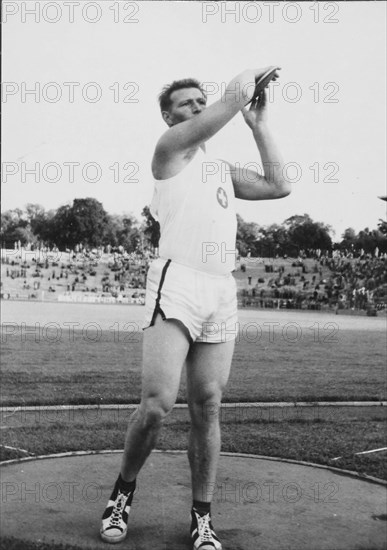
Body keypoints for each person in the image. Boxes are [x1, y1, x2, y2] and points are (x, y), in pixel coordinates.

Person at [100, 67, 291, 549]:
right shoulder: (170, 151)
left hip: (219, 288)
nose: (198, 107)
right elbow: (217, 114)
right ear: (168, 116)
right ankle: (122, 493)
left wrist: (260, 124)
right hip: (177, 279)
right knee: (158, 404)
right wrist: (241, 85)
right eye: (187, 103)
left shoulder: (220, 169)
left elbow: (279, 186)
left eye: (201, 100)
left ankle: (201, 517)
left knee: (208, 405)